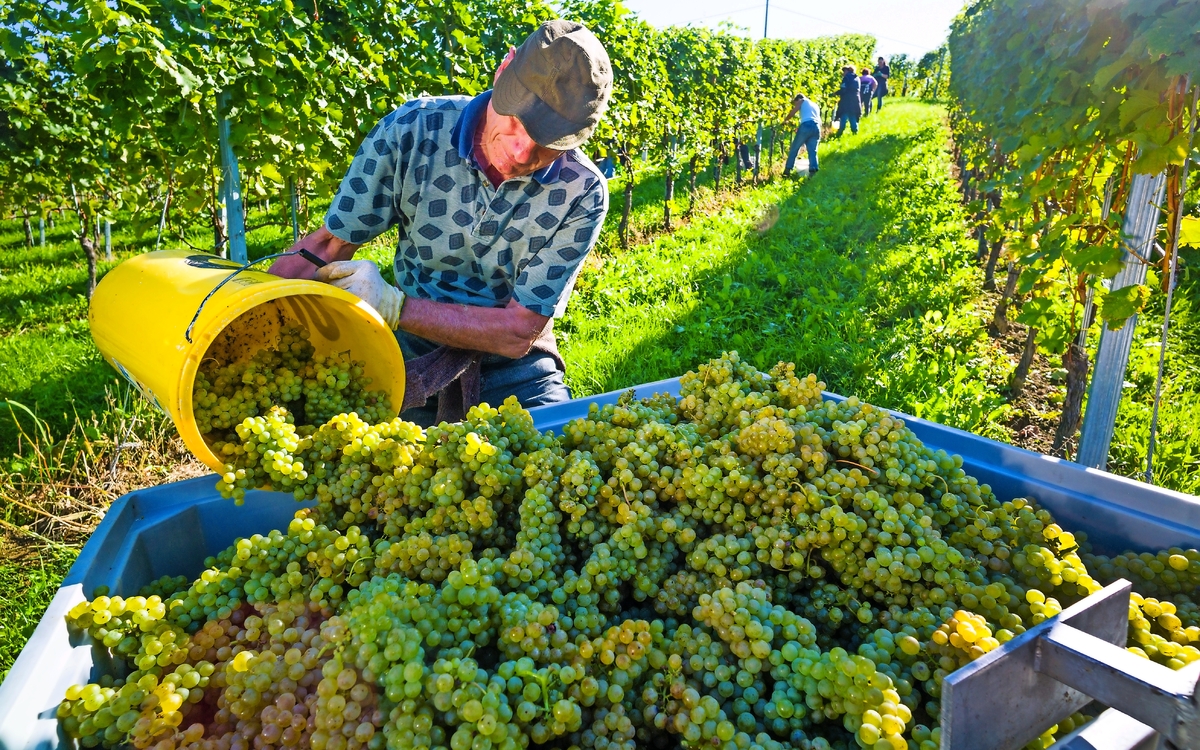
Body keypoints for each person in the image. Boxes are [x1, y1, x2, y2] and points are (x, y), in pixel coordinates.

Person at [269, 20, 613, 425]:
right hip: (407, 351)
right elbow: (326, 247)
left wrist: (393, 305)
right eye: (518, 123)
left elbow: (520, 330)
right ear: (504, 71)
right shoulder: (413, 131)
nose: (522, 153)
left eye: (550, 145)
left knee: (551, 461)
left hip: (513, 368)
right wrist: (247, 317)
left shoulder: (581, 191)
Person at [781, 92, 821, 176]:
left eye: (795, 103)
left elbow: (793, 112)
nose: (796, 106)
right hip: (817, 127)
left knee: (794, 148)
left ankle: (787, 170)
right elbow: (812, 118)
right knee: (813, 150)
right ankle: (813, 170)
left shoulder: (802, 100)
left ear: (798, 100)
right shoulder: (815, 105)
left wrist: (785, 120)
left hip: (806, 125)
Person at [835, 66, 862, 136]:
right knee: (852, 115)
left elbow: (843, 89)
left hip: (847, 100)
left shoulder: (846, 78)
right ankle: (855, 131)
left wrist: (835, 93)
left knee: (844, 114)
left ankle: (840, 132)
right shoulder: (857, 78)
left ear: (847, 71)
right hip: (856, 100)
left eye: (844, 71)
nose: (843, 73)